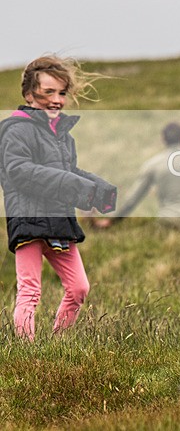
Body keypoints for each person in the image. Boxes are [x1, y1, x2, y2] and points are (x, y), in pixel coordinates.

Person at [0, 55, 116, 340]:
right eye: (48, 92)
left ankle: (57, 343)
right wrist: (74, 183)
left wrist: (97, 188)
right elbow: (19, 170)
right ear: (29, 94)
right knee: (30, 291)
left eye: (62, 92)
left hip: (59, 221)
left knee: (79, 288)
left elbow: (68, 170)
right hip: (28, 220)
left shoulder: (63, 135)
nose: (57, 99)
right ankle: (25, 353)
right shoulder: (16, 130)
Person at [94, 122, 180, 229]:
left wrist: (112, 220)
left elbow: (133, 198)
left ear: (163, 139)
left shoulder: (153, 164)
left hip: (170, 222)